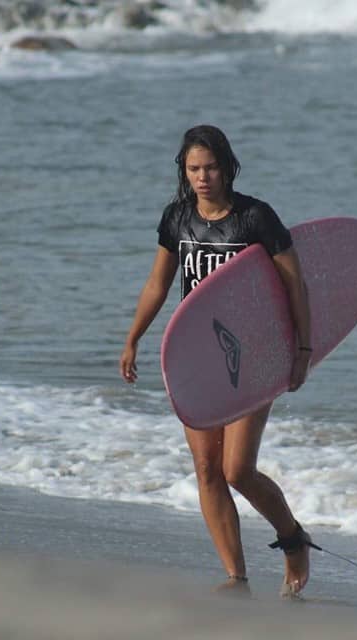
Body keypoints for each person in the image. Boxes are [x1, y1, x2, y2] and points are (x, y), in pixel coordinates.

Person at [119, 124, 317, 597]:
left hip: (255, 356)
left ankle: (293, 538)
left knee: (237, 470)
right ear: (183, 172)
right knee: (206, 469)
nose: (202, 177)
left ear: (227, 167)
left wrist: (303, 350)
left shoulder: (256, 218)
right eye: (193, 169)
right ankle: (236, 577)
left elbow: (296, 285)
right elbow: (157, 286)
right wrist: (133, 339)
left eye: (210, 167)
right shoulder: (177, 219)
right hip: (199, 356)